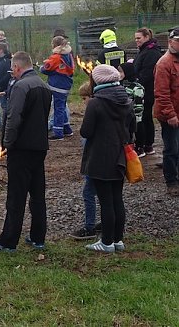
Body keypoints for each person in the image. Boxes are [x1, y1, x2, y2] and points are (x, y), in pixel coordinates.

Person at [0, 51, 51, 252]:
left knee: (16, 196)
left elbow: (13, 118)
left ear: (16, 67)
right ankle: (38, 237)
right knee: (38, 194)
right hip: (39, 147)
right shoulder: (44, 85)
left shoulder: (21, 86)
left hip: (21, 148)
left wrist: (7, 143)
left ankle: (8, 241)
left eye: (12, 69)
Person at [80, 65, 134, 253]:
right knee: (117, 199)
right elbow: (132, 128)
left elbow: (86, 131)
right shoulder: (127, 101)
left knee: (105, 202)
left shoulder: (96, 103)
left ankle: (107, 242)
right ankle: (118, 240)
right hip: (120, 156)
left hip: (100, 157)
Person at [69, 82, 100, 241]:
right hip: (104, 160)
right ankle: (107, 221)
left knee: (88, 193)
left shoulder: (93, 111)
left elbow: (86, 134)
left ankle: (90, 227)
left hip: (94, 161)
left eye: (84, 98)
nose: (83, 102)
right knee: (104, 192)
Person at [154, 26, 179, 196]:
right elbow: (161, 94)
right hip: (169, 115)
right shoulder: (164, 63)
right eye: (178, 41)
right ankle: (171, 182)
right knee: (172, 149)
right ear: (170, 42)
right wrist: (170, 115)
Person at [40, 35, 75, 140]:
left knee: (58, 108)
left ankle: (58, 133)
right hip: (66, 84)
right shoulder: (68, 55)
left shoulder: (56, 57)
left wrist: (42, 66)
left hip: (56, 85)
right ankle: (67, 129)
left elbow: (46, 69)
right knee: (62, 106)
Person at [133, 28, 161, 157]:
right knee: (144, 116)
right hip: (142, 89)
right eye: (135, 38)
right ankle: (146, 144)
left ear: (147, 37)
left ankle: (145, 145)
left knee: (144, 117)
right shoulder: (144, 50)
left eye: (138, 38)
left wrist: (136, 82)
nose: (136, 40)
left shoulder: (151, 53)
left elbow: (147, 73)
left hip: (146, 90)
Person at [118, 62, 145, 154]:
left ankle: (140, 147)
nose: (119, 74)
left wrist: (137, 117)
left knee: (137, 130)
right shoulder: (121, 85)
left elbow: (138, 105)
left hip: (134, 115)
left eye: (121, 72)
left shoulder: (137, 88)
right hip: (124, 114)